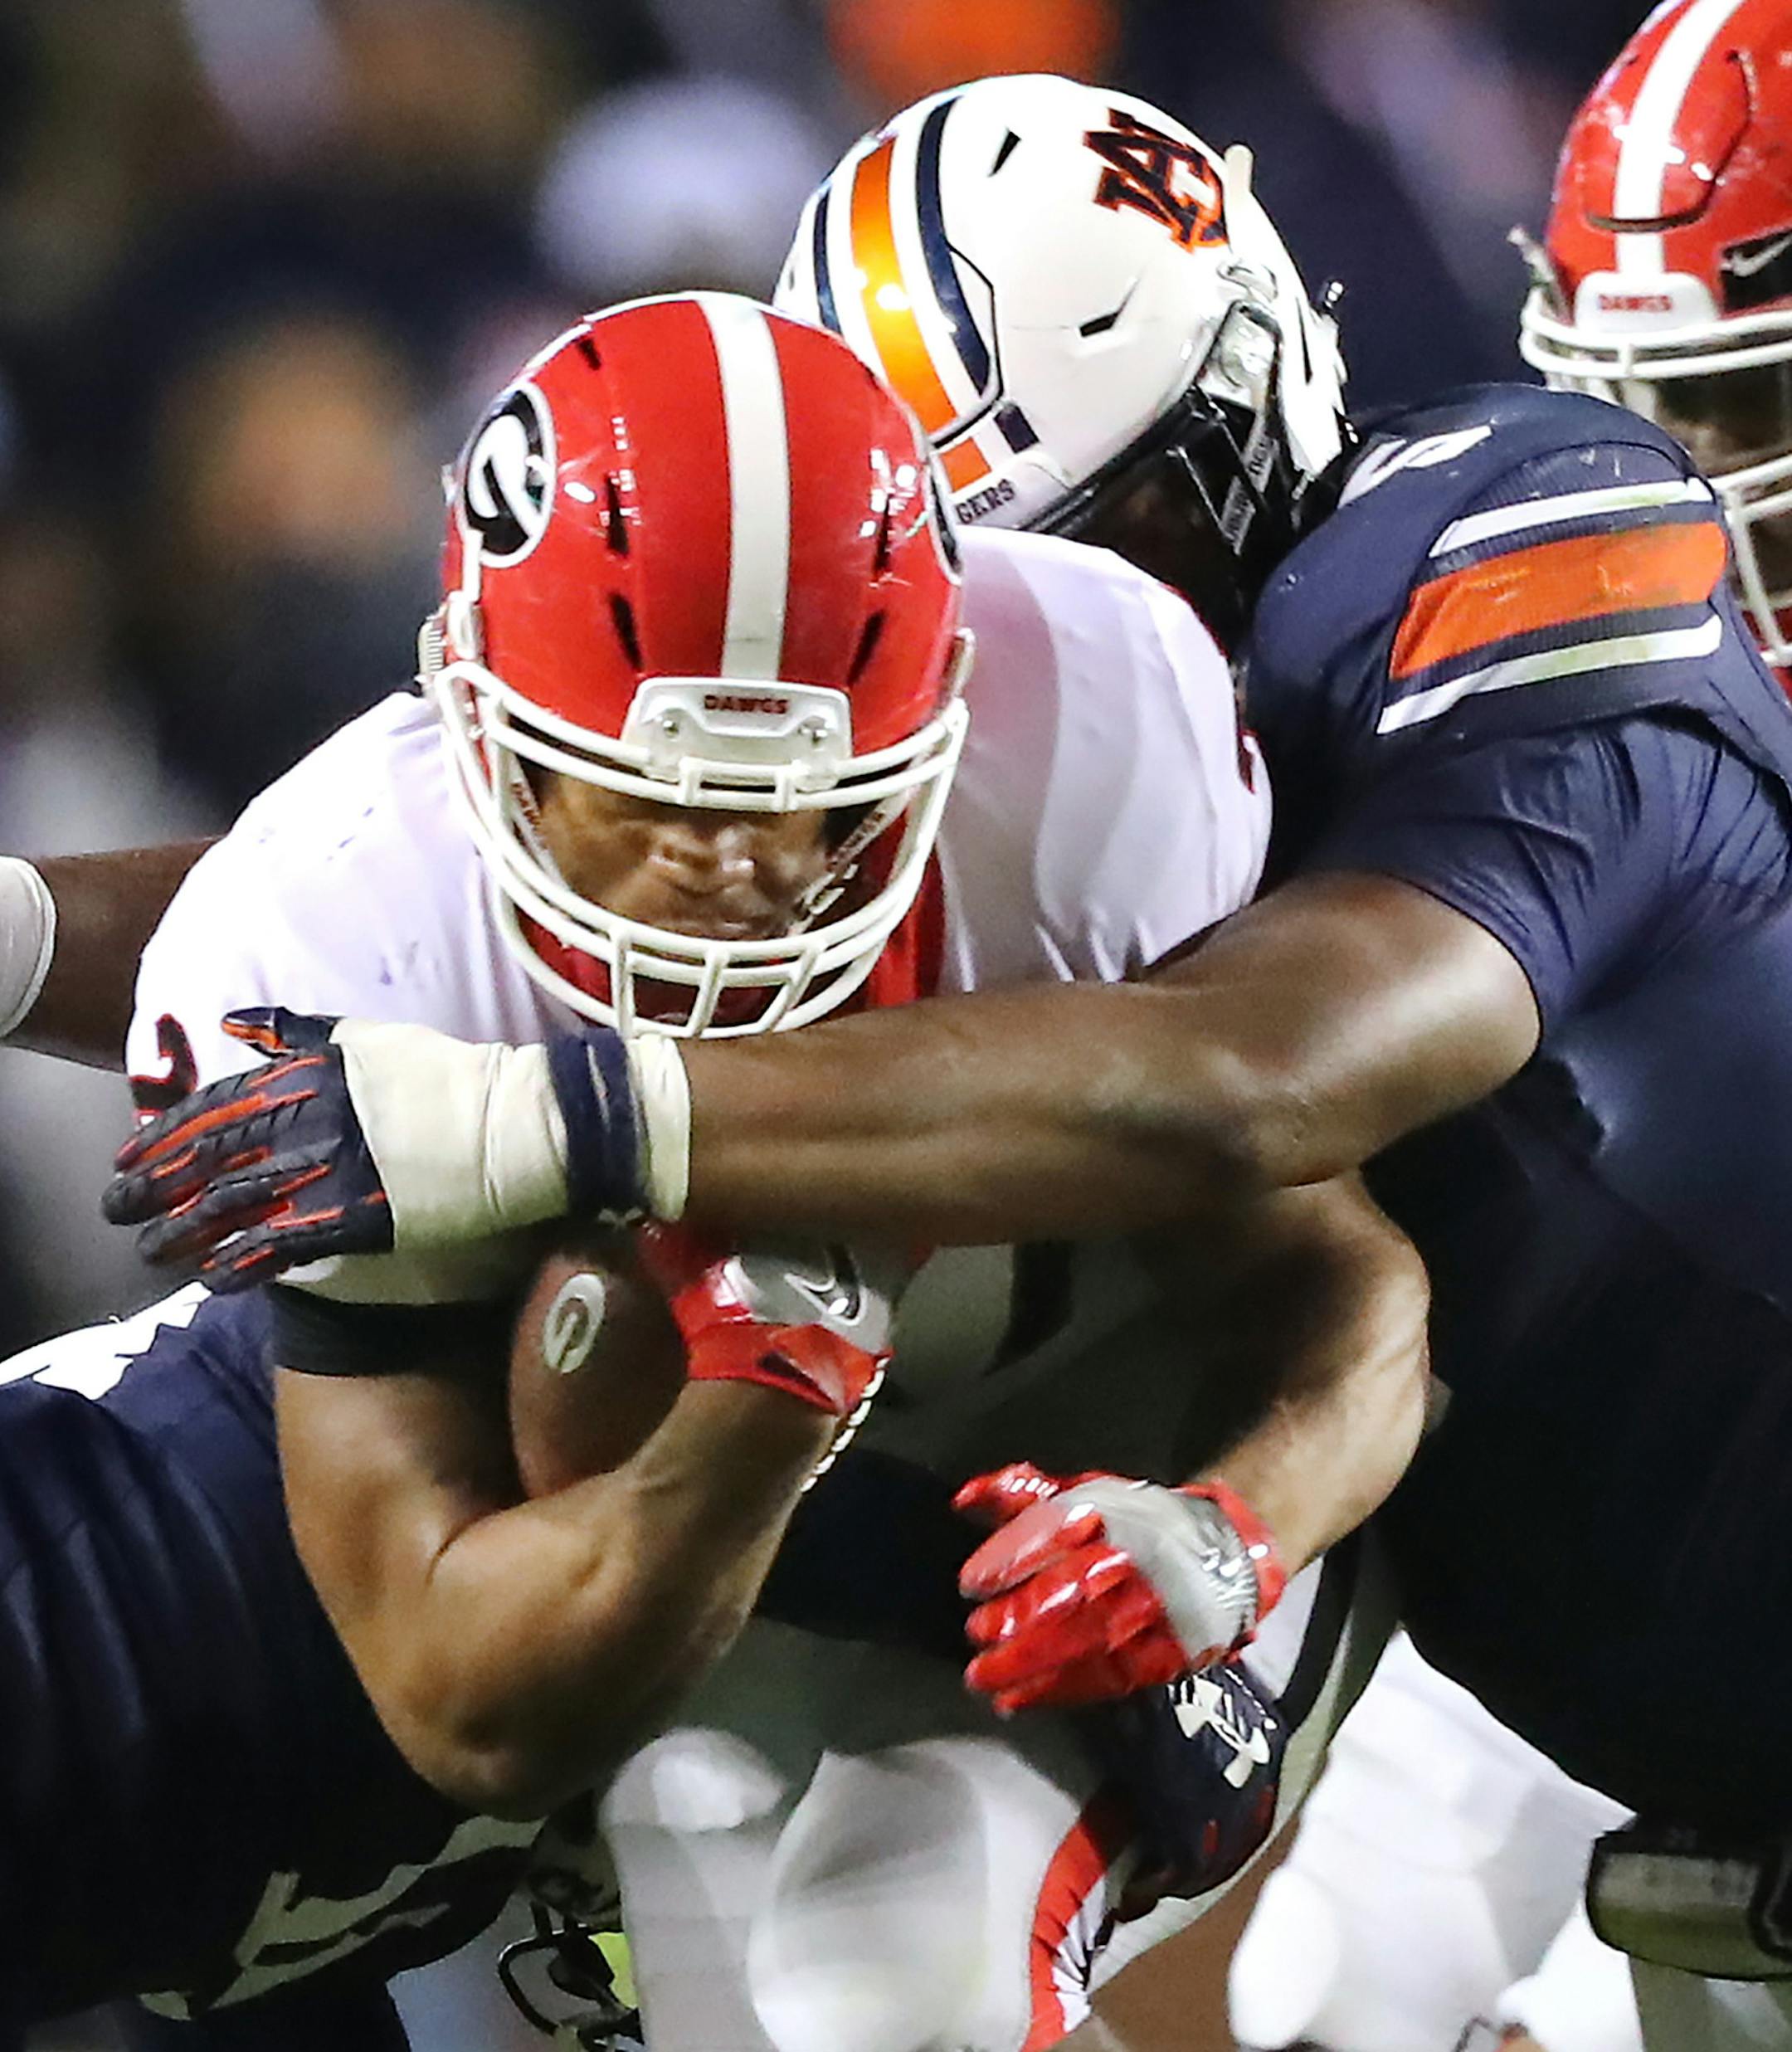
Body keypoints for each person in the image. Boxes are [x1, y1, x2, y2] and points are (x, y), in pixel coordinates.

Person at [117, 73, 1792, 2030]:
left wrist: (549, 1115)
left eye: (1103, 537)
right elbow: (458, 897)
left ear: (1241, 424)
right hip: (1633, 1708)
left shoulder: (1505, 526)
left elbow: (1258, 1074)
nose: (1028, 623)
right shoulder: (978, 754)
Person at [98, 285, 1424, 2052]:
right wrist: (754, 1413)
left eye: (810, 799)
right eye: (642, 797)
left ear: (946, 708)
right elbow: (455, 1695)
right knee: (681, 1804)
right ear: (470, 713)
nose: (728, 870)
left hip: (1108, 1443)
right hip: (718, 1549)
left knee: (905, 1975)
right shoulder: (335, 924)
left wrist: (1238, 1527)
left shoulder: (1092, 739)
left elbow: (1348, 1287)